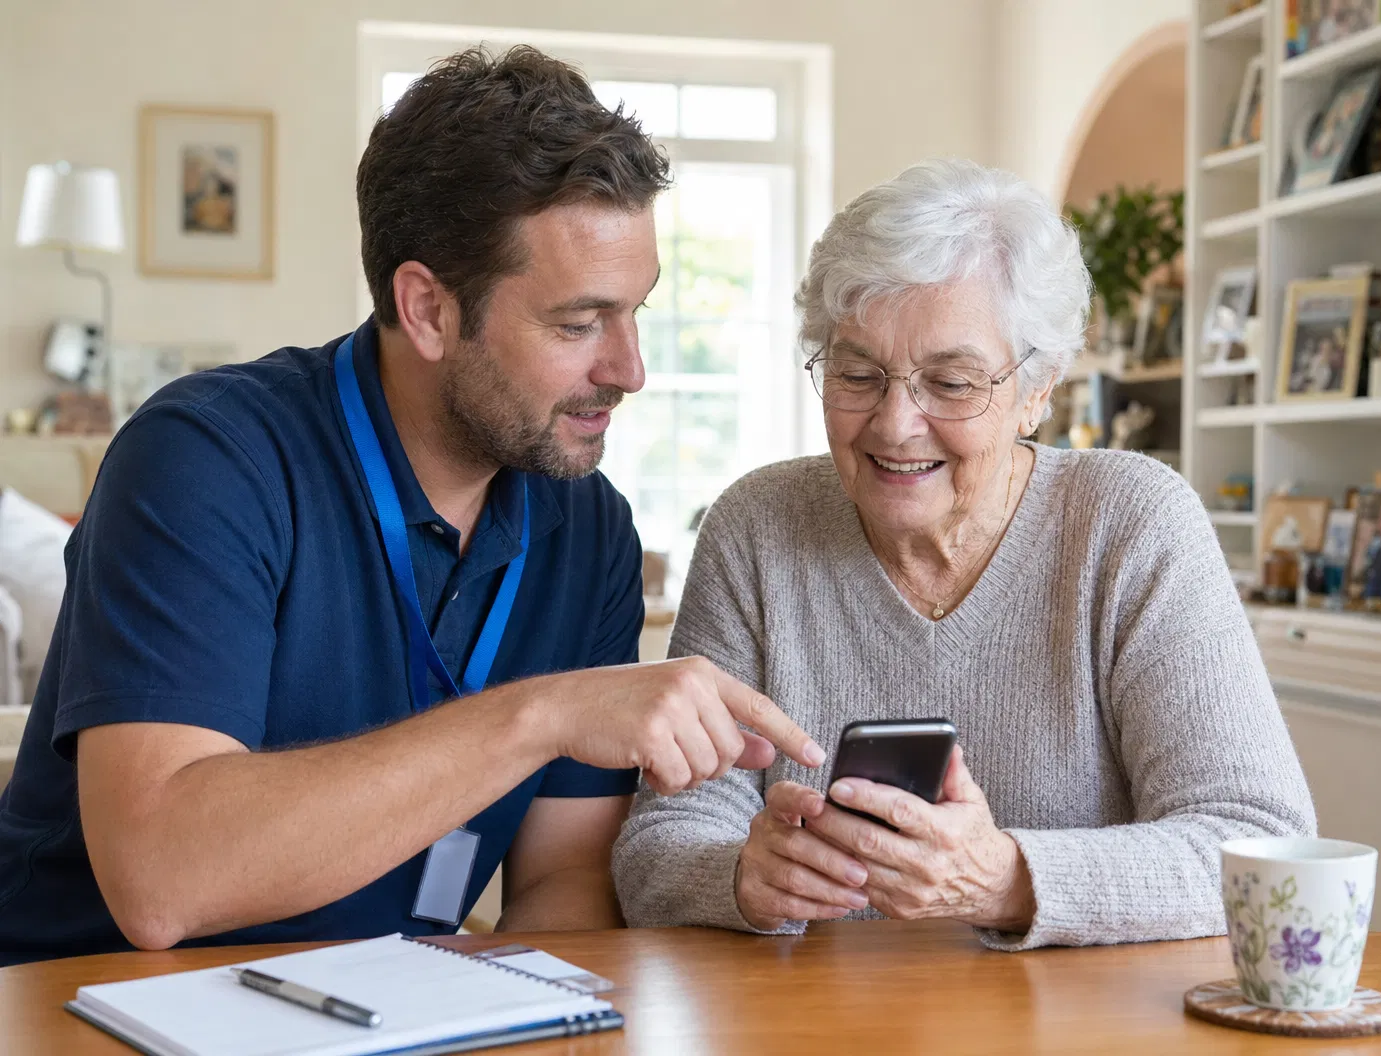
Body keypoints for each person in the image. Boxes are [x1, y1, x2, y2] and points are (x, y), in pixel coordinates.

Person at [0, 46, 821, 967]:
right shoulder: (206, 458)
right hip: (87, 1007)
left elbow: (561, 886)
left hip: (384, 1009)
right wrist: (542, 714)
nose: (630, 369)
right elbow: (162, 883)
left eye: (636, 313)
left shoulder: (588, 529)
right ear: (426, 308)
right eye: (577, 324)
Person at [612, 159, 1315, 949]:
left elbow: (1260, 845)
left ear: (1039, 387)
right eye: (858, 373)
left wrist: (1002, 879)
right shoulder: (758, 528)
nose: (894, 424)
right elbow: (656, 848)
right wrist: (739, 875)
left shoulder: (1131, 525)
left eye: (950, 383)